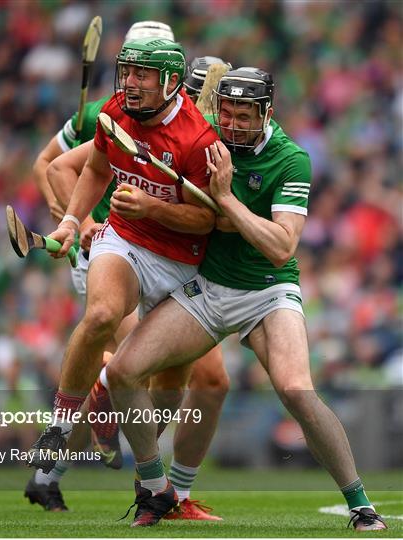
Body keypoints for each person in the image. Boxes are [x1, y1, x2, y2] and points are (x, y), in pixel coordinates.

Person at [103, 67, 388, 531]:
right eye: (227, 113)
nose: (232, 125)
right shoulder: (206, 139)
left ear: (266, 113)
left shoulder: (291, 159)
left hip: (270, 290)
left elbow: (280, 245)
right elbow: (192, 213)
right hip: (210, 289)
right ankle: (155, 490)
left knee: (296, 389)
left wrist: (227, 202)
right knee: (122, 371)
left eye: (244, 117)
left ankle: (360, 505)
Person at [26, 48, 229, 522]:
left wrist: (153, 207)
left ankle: (151, 487)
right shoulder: (115, 111)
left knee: (171, 383)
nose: (131, 83)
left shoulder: (198, 139)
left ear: (170, 82)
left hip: (181, 264)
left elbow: (207, 220)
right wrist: (74, 221)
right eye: (128, 72)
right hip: (124, 239)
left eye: (142, 74)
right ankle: (57, 433)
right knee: (101, 315)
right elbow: (94, 169)